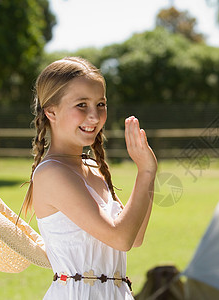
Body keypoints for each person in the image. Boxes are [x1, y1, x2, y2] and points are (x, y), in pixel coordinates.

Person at [21, 57, 157, 299]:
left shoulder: (93, 168)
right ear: (51, 111)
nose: (94, 116)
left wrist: (145, 172)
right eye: (81, 105)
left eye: (101, 104)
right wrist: (146, 172)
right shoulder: (52, 173)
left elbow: (135, 236)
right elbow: (121, 237)